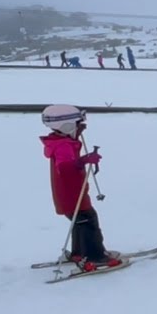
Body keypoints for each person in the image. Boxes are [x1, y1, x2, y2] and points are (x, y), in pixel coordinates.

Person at [39, 105, 123, 272]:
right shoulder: (63, 146)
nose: (80, 126)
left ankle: (79, 253)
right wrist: (84, 160)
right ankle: (95, 256)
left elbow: (70, 161)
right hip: (72, 195)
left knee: (80, 221)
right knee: (88, 221)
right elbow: (65, 168)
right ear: (67, 126)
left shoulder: (60, 141)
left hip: (71, 193)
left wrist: (83, 154)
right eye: (77, 124)